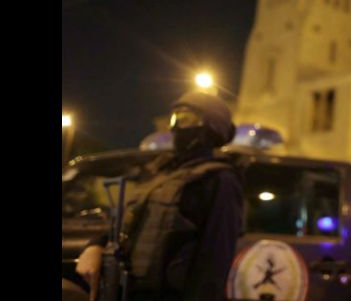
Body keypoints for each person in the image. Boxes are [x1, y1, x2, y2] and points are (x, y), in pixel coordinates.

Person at [76, 91, 244, 301]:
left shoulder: (219, 180)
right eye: (174, 118)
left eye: (185, 119)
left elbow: (214, 263)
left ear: (209, 128)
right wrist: (95, 245)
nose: (174, 127)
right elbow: (128, 219)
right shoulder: (161, 172)